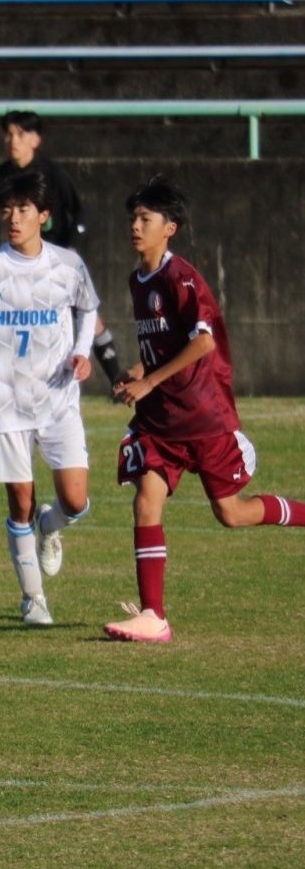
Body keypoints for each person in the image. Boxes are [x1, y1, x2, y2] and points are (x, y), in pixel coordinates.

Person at [104, 177, 305, 644]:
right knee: (146, 500)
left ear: (169, 228)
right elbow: (165, 344)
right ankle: (153, 615)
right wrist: (139, 369)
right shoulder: (138, 280)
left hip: (202, 415)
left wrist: (150, 381)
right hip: (161, 421)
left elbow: (203, 342)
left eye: (145, 219)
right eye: (133, 218)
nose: (135, 226)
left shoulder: (182, 277)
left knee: (231, 513)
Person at [0, 169, 99, 626]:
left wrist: (82, 352)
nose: (13, 218)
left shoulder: (68, 266)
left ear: (43, 215)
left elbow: (89, 308)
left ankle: (51, 526)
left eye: (23, 209)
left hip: (58, 399)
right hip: (5, 403)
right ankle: (33, 599)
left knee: (76, 502)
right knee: (20, 501)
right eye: (6, 209)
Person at [0, 110, 124, 388]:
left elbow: (78, 213)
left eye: (21, 134)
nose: (13, 140)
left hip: (56, 255)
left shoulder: (53, 174)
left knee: (87, 313)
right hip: (19, 260)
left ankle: (116, 380)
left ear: (36, 140)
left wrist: (71, 249)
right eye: (9, 134)